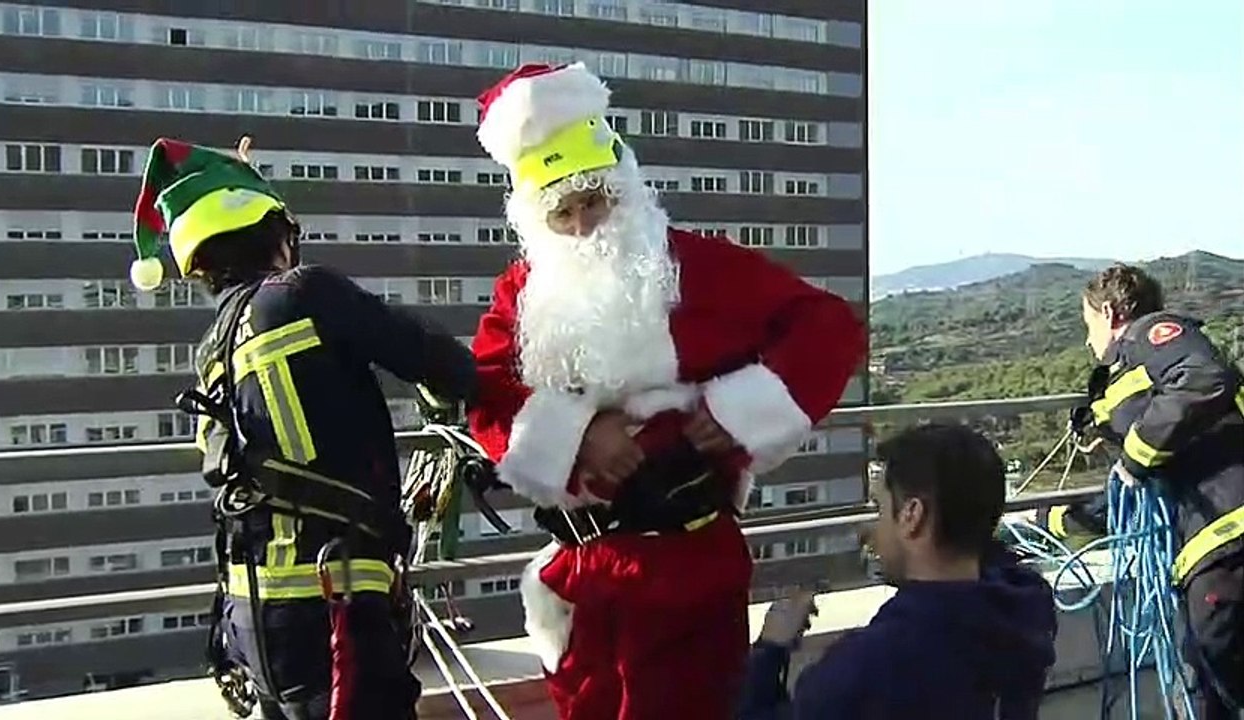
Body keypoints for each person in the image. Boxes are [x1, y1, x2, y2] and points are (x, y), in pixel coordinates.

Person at [465, 62, 866, 719]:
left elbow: (828, 327)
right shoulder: (522, 295)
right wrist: (580, 436)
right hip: (583, 579)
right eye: (563, 212)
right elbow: (485, 392)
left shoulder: (698, 267)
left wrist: (738, 409)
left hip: (690, 569)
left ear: (624, 187)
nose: (584, 225)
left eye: (596, 200)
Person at [125, 136, 478, 720]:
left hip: (252, 610)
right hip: (334, 601)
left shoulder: (214, 347)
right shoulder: (306, 292)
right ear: (279, 236)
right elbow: (443, 363)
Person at [740, 422, 1058, 719]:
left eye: (879, 509)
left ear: (912, 515)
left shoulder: (870, 664)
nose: (868, 531)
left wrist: (770, 650)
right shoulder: (1028, 610)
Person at [1046, 263, 1244, 718]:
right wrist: (1051, 523)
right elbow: (1124, 501)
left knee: (1218, 678)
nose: (1087, 340)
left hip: (1227, 547)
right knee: (1205, 689)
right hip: (1214, 555)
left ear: (1112, 312)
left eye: (1088, 324)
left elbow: (1205, 377)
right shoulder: (1147, 384)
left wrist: (1134, 454)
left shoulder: (1151, 333)